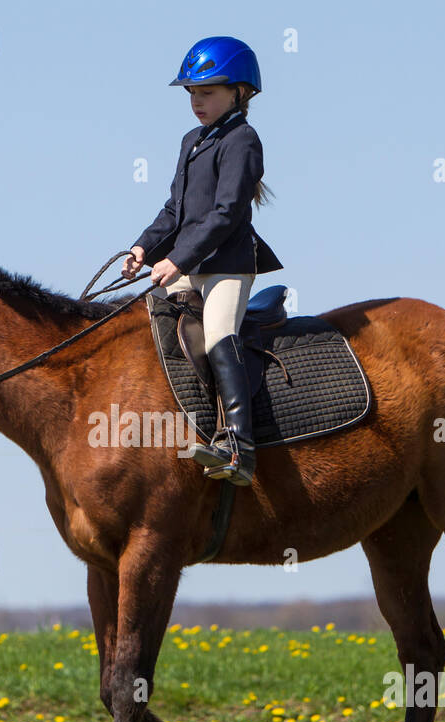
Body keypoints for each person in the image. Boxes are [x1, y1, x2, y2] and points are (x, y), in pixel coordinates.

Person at [122, 35, 283, 486]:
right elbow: (175, 211)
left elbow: (226, 213)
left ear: (239, 92)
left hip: (227, 266)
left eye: (207, 92)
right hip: (187, 264)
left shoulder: (243, 140)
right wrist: (141, 248)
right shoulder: (191, 140)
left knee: (217, 334)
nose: (197, 101)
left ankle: (237, 447)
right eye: (192, 93)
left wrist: (177, 260)